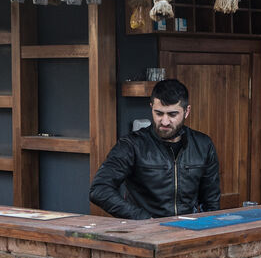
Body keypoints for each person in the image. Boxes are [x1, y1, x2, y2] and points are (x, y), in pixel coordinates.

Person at [90, 79, 220, 219]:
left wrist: (209, 230)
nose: (164, 121)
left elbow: (211, 201)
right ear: (151, 107)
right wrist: (142, 218)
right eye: (158, 113)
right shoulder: (132, 145)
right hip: (145, 233)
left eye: (172, 114)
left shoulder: (203, 145)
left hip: (187, 231)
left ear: (186, 111)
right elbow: (99, 190)